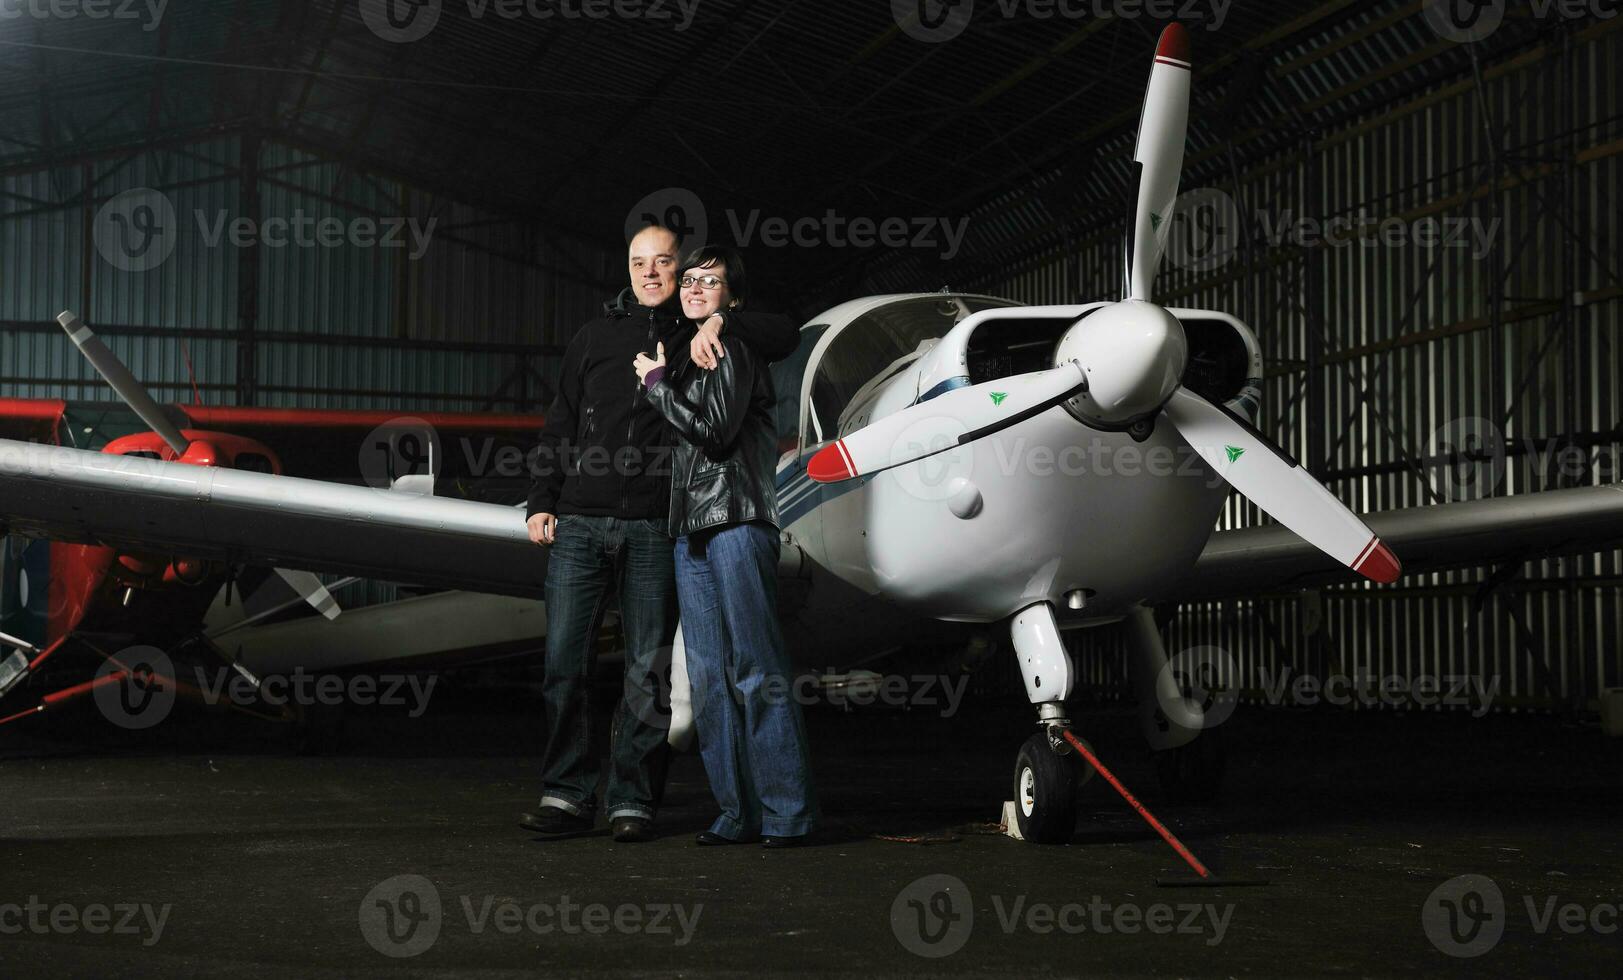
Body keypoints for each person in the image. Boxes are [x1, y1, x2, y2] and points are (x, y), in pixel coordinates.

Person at [522, 224, 796, 844]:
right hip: (581, 520)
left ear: (681, 272)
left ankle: (632, 800)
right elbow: (559, 422)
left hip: (655, 524)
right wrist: (541, 499)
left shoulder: (698, 330)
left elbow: (784, 332)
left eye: (664, 263)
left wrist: (720, 323)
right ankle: (566, 793)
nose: (650, 273)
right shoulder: (593, 338)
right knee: (565, 664)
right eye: (639, 263)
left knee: (647, 672)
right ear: (627, 268)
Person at [633, 245, 819, 848]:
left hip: (738, 522)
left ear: (730, 299)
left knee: (754, 669)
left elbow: (714, 435)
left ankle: (787, 813)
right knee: (709, 679)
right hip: (692, 533)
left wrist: (657, 386)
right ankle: (737, 813)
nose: (691, 288)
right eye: (688, 280)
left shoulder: (731, 347)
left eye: (708, 282)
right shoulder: (691, 355)